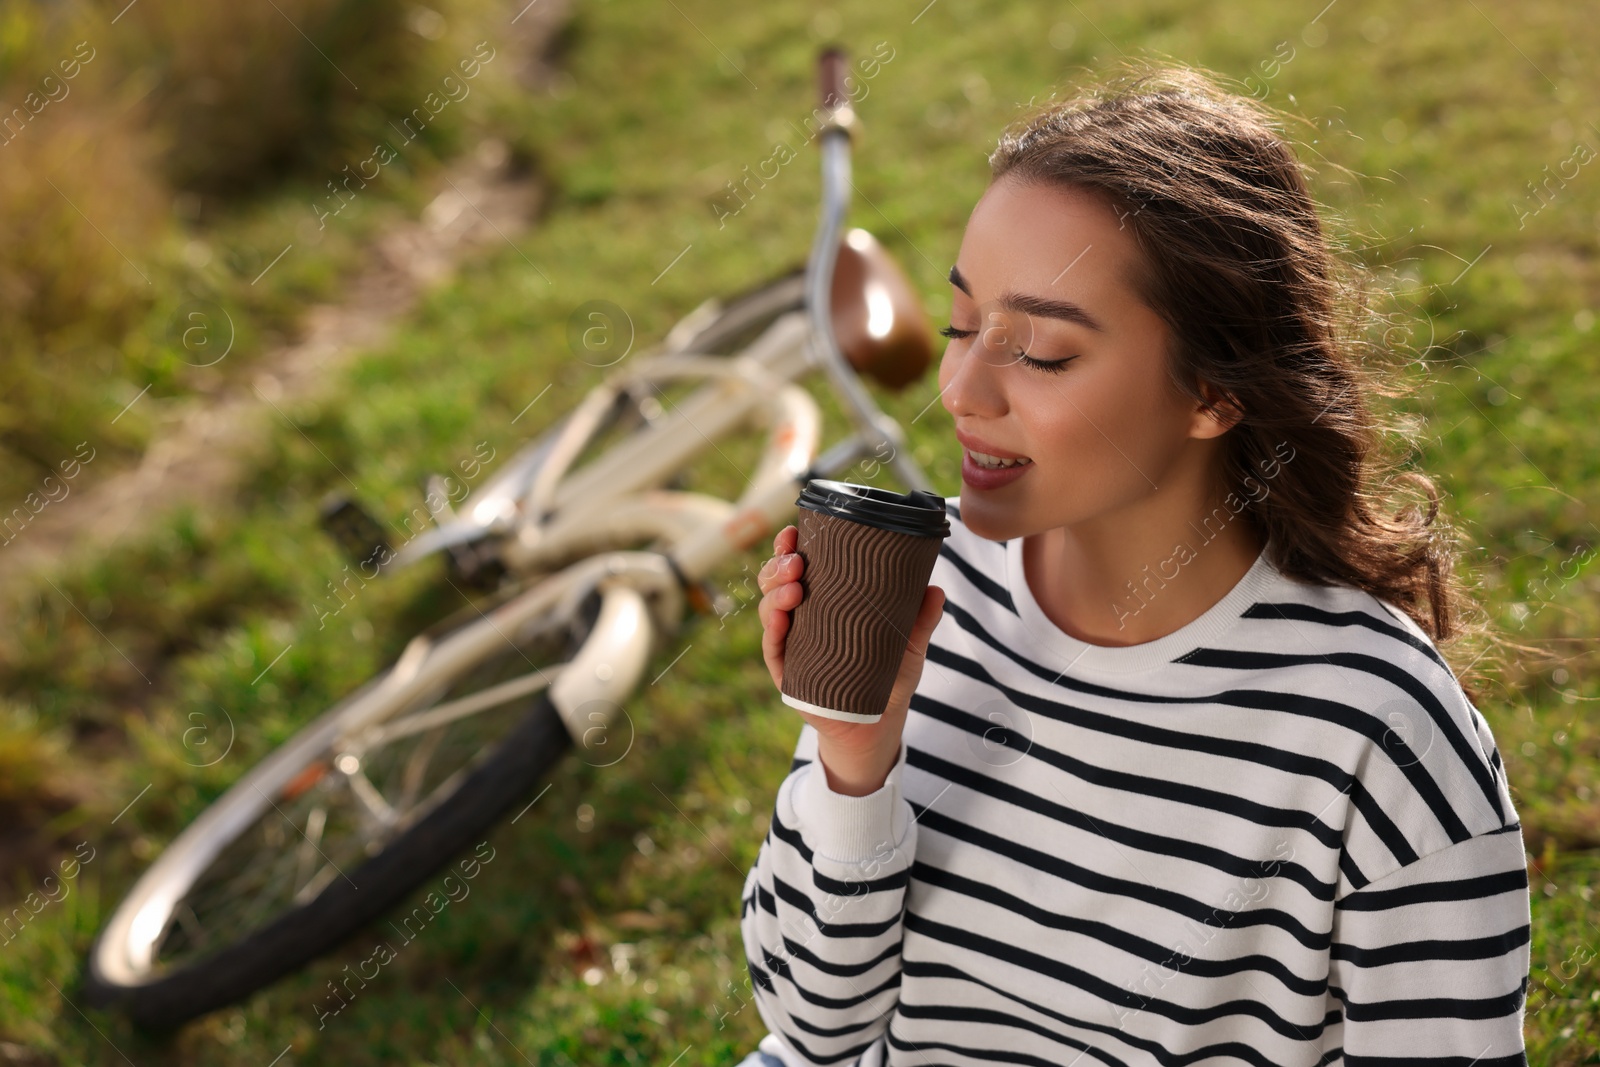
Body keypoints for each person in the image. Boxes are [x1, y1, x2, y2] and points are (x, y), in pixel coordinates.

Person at [735, 59, 1531, 1067]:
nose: (962, 389)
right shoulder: (926, 593)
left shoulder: (1373, 733)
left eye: (1044, 353)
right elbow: (813, 1028)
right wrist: (857, 760)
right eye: (962, 325)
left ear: (1212, 392)